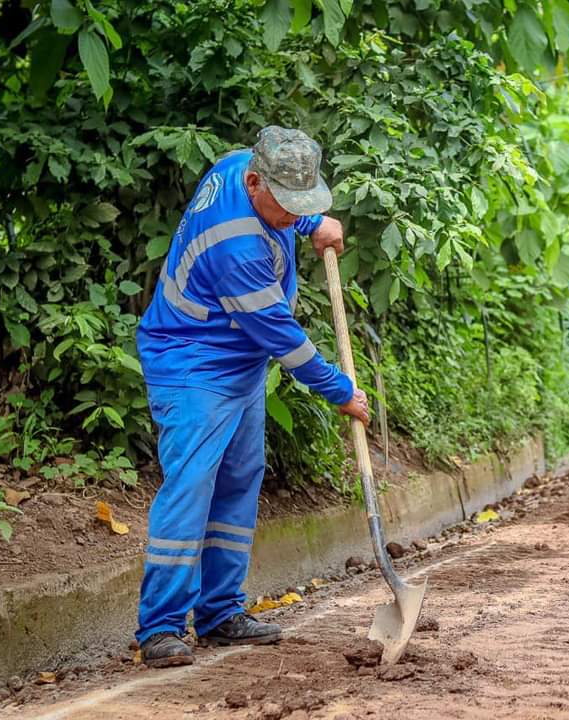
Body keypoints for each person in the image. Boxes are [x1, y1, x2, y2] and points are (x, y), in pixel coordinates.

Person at [134, 126, 370, 668]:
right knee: (192, 486)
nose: (292, 213)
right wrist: (341, 391)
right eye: (287, 205)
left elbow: (290, 208)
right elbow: (283, 339)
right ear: (255, 181)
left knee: (240, 478)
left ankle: (220, 613)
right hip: (193, 363)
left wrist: (313, 221)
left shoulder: (247, 162)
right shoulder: (234, 245)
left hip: (237, 361)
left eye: (301, 203)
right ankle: (162, 628)